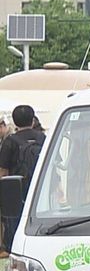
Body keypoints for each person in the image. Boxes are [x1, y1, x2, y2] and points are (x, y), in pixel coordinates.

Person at [0, 104, 46, 253]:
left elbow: (3, 169)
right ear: (32, 120)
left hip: (16, 188)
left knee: (14, 220)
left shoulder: (10, 141)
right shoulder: (42, 137)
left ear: (14, 121)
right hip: (40, 187)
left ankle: (14, 248)